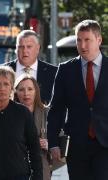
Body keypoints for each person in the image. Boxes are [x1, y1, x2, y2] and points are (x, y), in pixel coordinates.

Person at [47, 19, 108, 180]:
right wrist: (53, 142)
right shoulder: (66, 70)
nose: (82, 45)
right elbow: (56, 109)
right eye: (79, 40)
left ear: (99, 40)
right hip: (76, 144)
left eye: (87, 40)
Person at [5, 29, 57, 104]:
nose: (25, 51)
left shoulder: (54, 73)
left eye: (29, 47)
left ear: (37, 48)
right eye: (21, 47)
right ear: (16, 49)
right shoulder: (3, 71)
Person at [14, 74, 51, 180]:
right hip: (16, 168)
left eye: (30, 89)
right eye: (21, 89)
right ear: (16, 93)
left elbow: (61, 144)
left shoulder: (47, 112)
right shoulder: (10, 114)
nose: (26, 93)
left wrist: (48, 144)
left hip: (42, 169)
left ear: (36, 91)